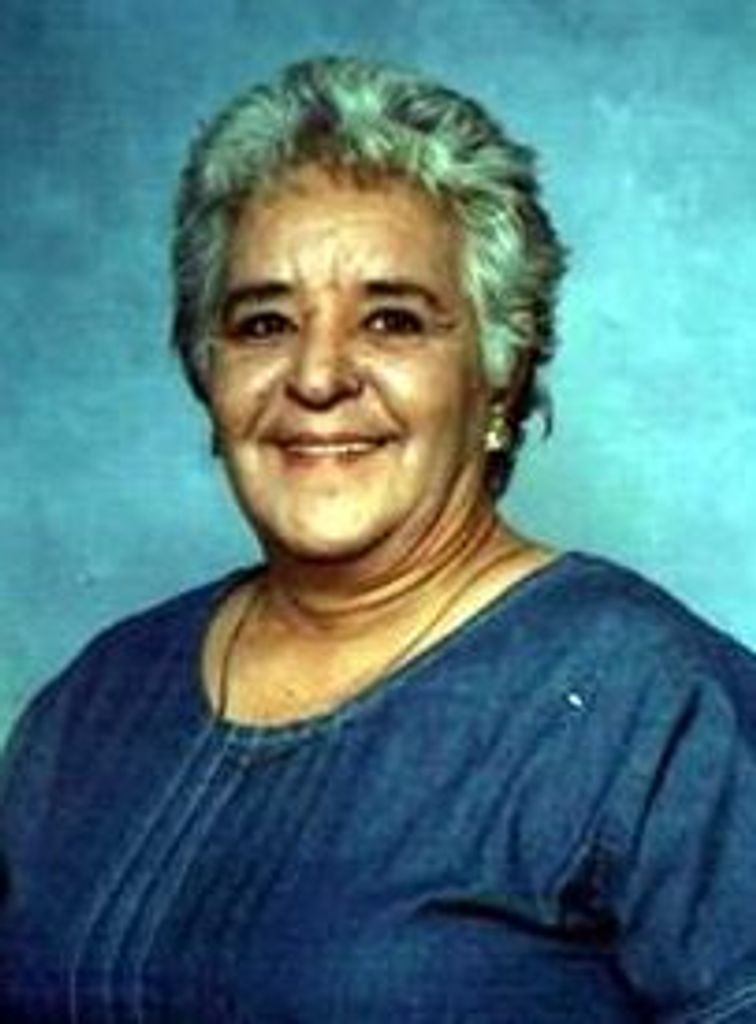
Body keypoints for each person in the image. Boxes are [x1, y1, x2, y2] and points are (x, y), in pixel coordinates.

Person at [1, 55, 755, 1024]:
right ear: (207, 370)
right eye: (263, 323)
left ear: (500, 373)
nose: (318, 377)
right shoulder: (97, 700)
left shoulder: (656, 708)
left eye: (393, 320)